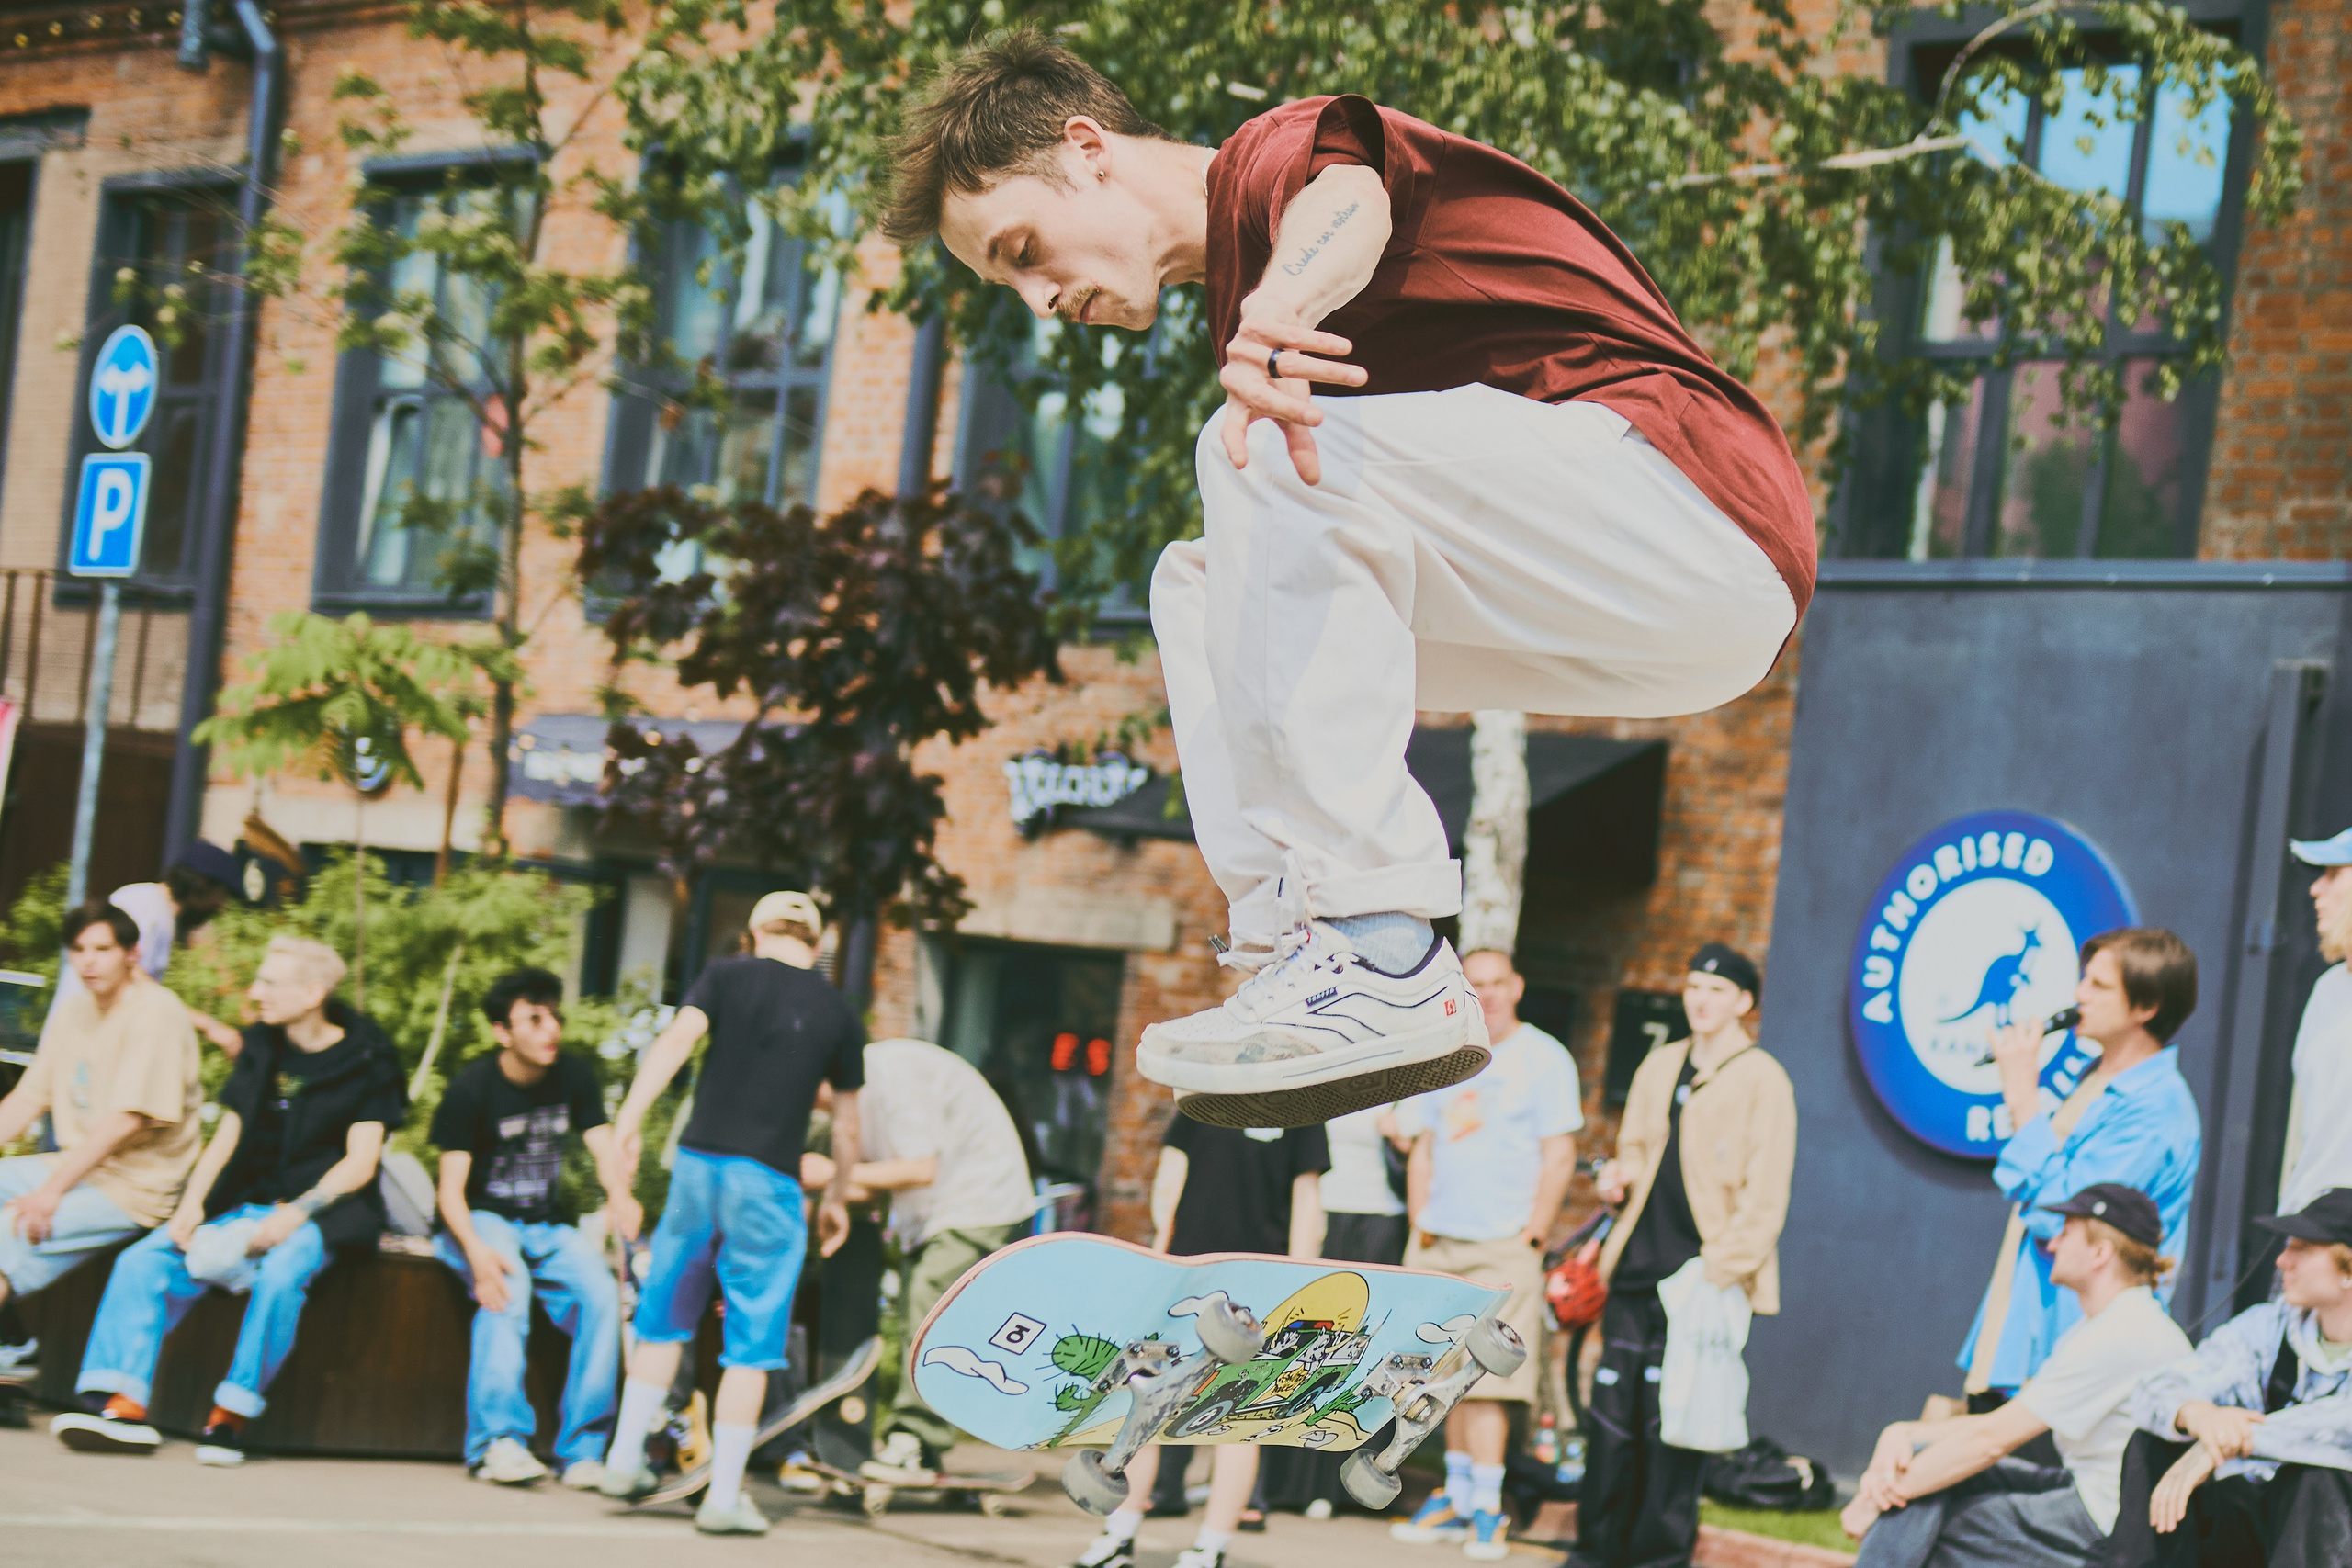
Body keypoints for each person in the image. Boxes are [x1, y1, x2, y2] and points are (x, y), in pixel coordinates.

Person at [882, 32, 1812, 1128]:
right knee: (1198, 581)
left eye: (1025, 248)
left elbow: (1349, 202)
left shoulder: (1265, 162)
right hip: (1656, 620)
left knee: (1256, 449)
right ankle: (1295, 944)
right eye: (1008, 284)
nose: (1039, 298)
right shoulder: (1244, 294)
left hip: (1695, 503)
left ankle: (1380, 942)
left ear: (1088, 149)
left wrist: (1280, 308)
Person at [56, 934, 403, 1464]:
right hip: (243, 1201)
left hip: (323, 1212)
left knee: (284, 1271)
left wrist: (295, 1215)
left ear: (312, 993)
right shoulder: (261, 1045)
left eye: (269, 981)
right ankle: (121, 1404)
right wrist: (193, 1205)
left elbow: (360, 1162)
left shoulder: (370, 1056)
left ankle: (231, 1415)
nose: (256, 990)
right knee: (144, 1259)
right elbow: (229, 1136)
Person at [596, 890, 863, 1537]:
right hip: (768, 1179)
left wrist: (628, 1121)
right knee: (752, 1339)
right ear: (818, 941)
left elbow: (675, 1042)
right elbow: (850, 1125)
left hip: (697, 1166)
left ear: (753, 933)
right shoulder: (837, 1009)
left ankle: (625, 1457)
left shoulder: (725, 974)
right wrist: (837, 1196)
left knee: (664, 1315)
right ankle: (723, 1496)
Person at [1577, 944, 1795, 1568]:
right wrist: (1616, 1177)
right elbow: (1636, 1152)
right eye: (1694, 985)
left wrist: (1719, 1270)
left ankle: (1658, 1559)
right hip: (1636, 1273)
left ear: (1744, 1002)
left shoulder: (1764, 1079)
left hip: (1700, 1280)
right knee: (1613, 1424)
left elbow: (1766, 1197)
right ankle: (1593, 1554)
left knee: (1675, 1433)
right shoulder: (1661, 1064)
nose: (1700, 998)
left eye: (1717, 989)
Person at [1841, 1185, 2193, 1568]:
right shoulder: (2111, 1324)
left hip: (2109, 1522)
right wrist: (1905, 1435)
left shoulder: (2121, 1333)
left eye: (2066, 1232)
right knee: (1926, 1469)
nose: (2052, 1243)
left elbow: (1991, 1440)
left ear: (2100, 1252)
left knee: (1945, 1528)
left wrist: (1876, 1500)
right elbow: (1997, 1426)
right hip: (2088, 1489)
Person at [1068, 1113, 1329, 1568]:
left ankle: (1212, 1545)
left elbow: (1308, 1201)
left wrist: (1296, 1281)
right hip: (1188, 1271)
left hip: (1259, 1280)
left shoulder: (1302, 1109)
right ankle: (1119, 1534)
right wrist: (1163, 1264)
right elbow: (1171, 1180)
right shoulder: (1204, 1099)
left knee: (1236, 1420)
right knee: (1145, 1403)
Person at [1389, 948, 1581, 1561]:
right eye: (1479, 984)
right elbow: (1420, 1144)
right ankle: (1457, 1495)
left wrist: (1535, 1232)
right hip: (1440, 1237)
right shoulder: (1448, 1052)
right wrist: (1420, 1220)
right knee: (1443, 1376)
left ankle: (1490, 1509)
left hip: (1504, 1242)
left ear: (1518, 986)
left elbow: (1560, 1153)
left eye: (1499, 982)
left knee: (1491, 1381)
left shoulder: (1545, 1057)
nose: (1490, 993)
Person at [1960, 929, 2203, 1405]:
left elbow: (2069, 1216)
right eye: (2082, 980)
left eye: (2098, 985)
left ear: (2146, 1007)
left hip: (2075, 1349)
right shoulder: (2096, 1080)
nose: (2078, 995)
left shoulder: (2157, 1108)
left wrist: (2023, 1097)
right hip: (2022, 1332)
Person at [430, 967, 638, 1488]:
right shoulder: (471, 1088)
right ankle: (497, 1443)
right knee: (507, 1286)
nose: (551, 1030)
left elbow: (603, 1149)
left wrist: (622, 1196)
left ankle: (583, 1451)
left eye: (555, 1018)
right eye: (535, 1019)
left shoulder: (574, 1075)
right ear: (503, 1032)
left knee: (601, 1294)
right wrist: (476, 1253)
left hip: (545, 1224)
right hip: (480, 1219)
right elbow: (449, 1191)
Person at [797, 1036, 1035, 1483]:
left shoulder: (893, 1077)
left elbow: (919, 1169)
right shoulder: (855, 1102)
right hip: (934, 1213)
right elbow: (871, 1184)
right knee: (917, 1319)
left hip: (978, 1199)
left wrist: (832, 1174)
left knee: (931, 1308)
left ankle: (916, 1438)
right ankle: (919, 1442)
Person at [2099, 1188, 2352, 1566]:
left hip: (2328, 1536)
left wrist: (2239, 1440)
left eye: (2303, 1248)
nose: (2283, 1260)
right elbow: (2154, 1389)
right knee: (2158, 1441)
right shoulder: (2271, 1325)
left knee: (2319, 1477)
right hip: (2255, 1518)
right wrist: (2198, 1416)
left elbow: (2341, 1426)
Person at [0, 905, 202, 1367]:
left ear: (132, 953)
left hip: (136, 1185)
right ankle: (10, 1341)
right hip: (79, 1167)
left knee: (6, 1228)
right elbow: (28, 1100)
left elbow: (126, 1120)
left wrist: (50, 1192)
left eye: (102, 949)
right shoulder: (75, 1011)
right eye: (78, 950)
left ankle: (10, 1344)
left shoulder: (157, 1014)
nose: (88, 961)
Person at [1262, 1101, 1410, 1517]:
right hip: (1322, 1215)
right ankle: (1285, 1483)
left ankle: (1339, 1485)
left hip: (1380, 1219)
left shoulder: (1403, 1091)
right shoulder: (1321, 1086)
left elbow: (1427, 1157)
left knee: (1360, 1352)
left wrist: (1399, 1137)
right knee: (1310, 1348)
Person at [51, 841, 246, 1055]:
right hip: (77, 1046)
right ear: (200, 884)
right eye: (222, 894)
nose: (222, 905)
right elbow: (132, 977)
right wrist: (209, 1026)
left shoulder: (157, 912)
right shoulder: (145, 907)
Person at [2278, 827, 2352, 1213]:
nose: (2315, 890)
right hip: (2306, 1228)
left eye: (2334, 874)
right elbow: (2304, 1129)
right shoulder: (2327, 990)